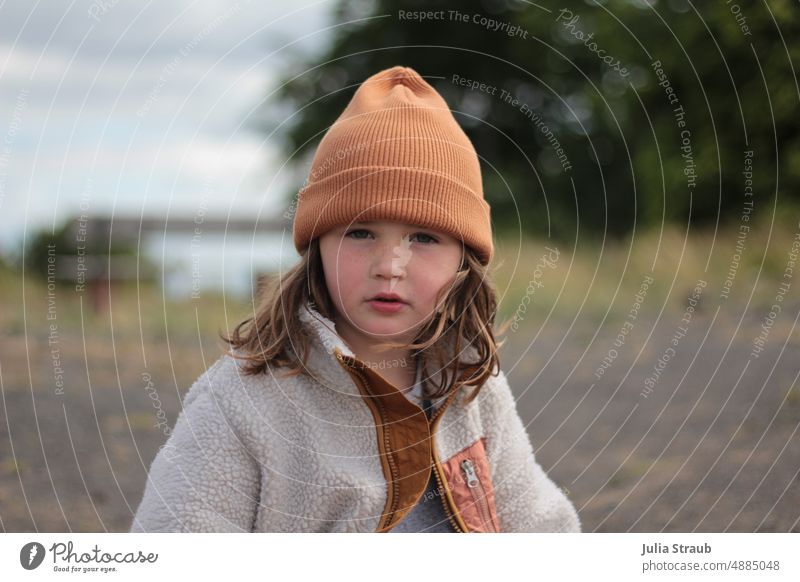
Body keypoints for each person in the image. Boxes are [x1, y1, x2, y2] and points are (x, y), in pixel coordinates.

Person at [129, 66, 581, 533]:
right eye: (360, 232)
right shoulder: (240, 403)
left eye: (423, 238)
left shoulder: (472, 385)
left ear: (464, 261)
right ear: (318, 247)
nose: (390, 264)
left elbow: (542, 532)